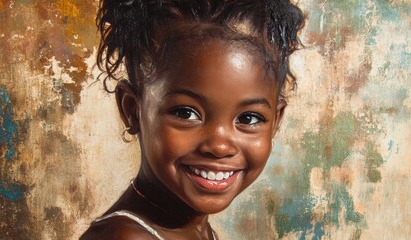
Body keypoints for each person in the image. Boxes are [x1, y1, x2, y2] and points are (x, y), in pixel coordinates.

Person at [81, 0, 305, 239]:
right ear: (132, 110)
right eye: (186, 113)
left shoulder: (195, 230)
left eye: (249, 118)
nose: (219, 146)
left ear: (276, 120)